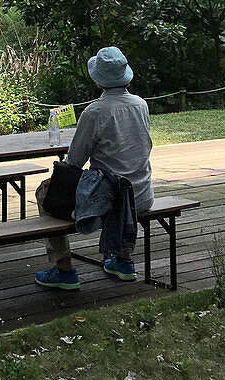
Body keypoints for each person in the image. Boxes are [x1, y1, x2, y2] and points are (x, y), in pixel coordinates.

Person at [34, 46, 153, 290]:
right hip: (142, 194)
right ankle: (123, 259)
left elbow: (74, 162)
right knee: (120, 180)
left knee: (44, 195)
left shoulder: (94, 112)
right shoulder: (141, 105)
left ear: (98, 80)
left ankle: (63, 269)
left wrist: (54, 181)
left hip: (113, 198)